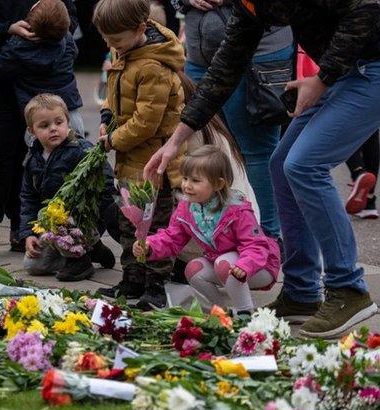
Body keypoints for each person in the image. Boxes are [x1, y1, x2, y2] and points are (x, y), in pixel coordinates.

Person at [146, 0, 380, 338]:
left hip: (369, 68)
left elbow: (367, 8)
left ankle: (348, 290)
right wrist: (175, 141)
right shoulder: (248, 6)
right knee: (281, 166)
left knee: (304, 165)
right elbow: (224, 69)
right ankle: (301, 293)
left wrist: (323, 78)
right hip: (344, 73)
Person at [0, 0, 77, 261]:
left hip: (39, 80)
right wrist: (8, 29)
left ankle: (24, 228)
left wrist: (46, 43)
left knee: (33, 157)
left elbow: (68, 16)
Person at [92, 0, 185, 310]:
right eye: (106, 39)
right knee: (130, 223)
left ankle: (156, 285)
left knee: (155, 226)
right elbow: (112, 95)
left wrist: (112, 141)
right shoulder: (126, 51)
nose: (110, 46)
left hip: (154, 162)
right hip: (130, 161)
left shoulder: (153, 67)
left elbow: (147, 123)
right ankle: (132, 279)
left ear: (140, 29)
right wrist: (106, 118)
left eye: (115, 40)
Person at [175, 0, 292, 238]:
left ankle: (268, 236)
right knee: (205, 151)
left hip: (257, 52)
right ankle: (216, 233)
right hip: (199, 57)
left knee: (257, 150)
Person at [137, 145, 279, 313]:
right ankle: (223, 311)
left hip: (259, 266)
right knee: (193, 269)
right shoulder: (188, 208)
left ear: (218, 184)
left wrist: (245, 265)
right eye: (185, 178)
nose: (187, 186)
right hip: (225, 265)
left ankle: (245, 313)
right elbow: (172, 237)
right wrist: (149, 246)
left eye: (195, 181)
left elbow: (256, 245)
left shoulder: (236, 209)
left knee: (223, 263)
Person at [19, 94, 116, 280]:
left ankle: (81, 261)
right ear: (32, 130)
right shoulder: (33, 160)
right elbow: (28, 198)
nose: (53, 129)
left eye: (58, 122)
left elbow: (106, 181)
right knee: (32, 266)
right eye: (44, 126)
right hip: (54, 223)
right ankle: (93, 250)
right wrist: (28, 234)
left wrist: (95, 215)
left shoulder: (81, 150)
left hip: (84, 218)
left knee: (49, 214)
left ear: (68, 122)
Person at [0, 0, 83, 135]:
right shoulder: (67, 40)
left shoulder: (18, 49)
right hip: (68, 113)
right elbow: (74, 53)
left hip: (39, 119)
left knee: (40, 154)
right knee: (76, 151)